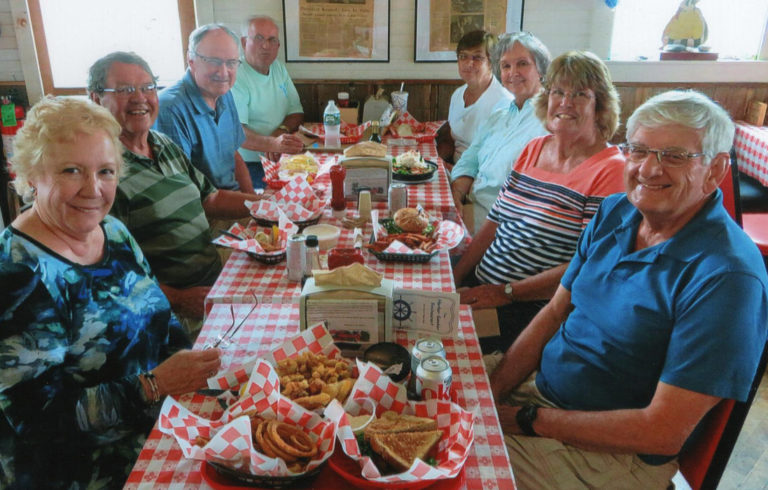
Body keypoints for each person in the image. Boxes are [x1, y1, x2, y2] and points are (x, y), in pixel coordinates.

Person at [490, 90, 768, 489]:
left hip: (609, 457)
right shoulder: (616, 210)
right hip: (537, 395)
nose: (649, 170)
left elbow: (661, 432)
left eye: (674, 156)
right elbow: (554, 313)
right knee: (415, 397)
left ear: (715, 168)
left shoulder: (727, 277)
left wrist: (521, 420)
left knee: (450, 465)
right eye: (638, 151)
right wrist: (493, 393)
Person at [0, 96, 221, 489]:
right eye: (71, 170)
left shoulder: (113, 232)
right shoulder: (18, 272)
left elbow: (161, 320)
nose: (93, 189)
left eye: (106, 171)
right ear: (31, 175)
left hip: (161, 425)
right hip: (85, 468)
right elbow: (39, 421)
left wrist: (192, 371)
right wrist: (154, 385)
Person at [453, 51, 625, 354]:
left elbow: (586, 268)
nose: (565, 102)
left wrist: (505, 293)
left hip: (530, 309)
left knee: (440, 341)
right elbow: (494, 223)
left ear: (601, 107)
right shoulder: (533, 148)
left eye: (580, 94)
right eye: (558, 91)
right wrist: (454, 277)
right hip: (485, 284)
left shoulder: (611, 170)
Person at [88, 51, 268, 333]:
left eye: (148, 87)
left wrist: (269, 203)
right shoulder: (101, 172)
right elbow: (106, 273)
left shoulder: (161, 143)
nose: (140, 98)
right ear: (96, 99)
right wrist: (178, 300)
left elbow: (212, 198)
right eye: (125, 90)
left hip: (215, 276)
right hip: (176, 310)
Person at [450, 32, 551, 234]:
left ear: (540, 69)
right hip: (472, 205)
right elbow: (469, 159)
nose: (513, 72)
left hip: (502, 225)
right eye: (506, 66)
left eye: (522, 63)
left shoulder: (549, 122)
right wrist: (457, 192)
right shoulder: (500, 113)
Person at [154, 24, 254, 192]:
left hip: (233, 201)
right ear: (191, 61)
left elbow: (234, 155)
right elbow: (183, 193)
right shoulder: (169, 109)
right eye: (214, 62)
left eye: (231, 63)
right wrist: (255, 204)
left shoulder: (224, 92)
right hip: (201, 212)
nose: (223, 73)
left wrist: (255, 204)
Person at [232, 15, 305, 187]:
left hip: (281, 158)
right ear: (243, 42)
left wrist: (280, 131)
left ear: (278, 46)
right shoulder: (236, 76)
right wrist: (272, 143)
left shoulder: (277, 67)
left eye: (272, 40)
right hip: (249, 166)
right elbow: (237, 133)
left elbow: (297, 112)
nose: (266, 46)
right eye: (259, 38)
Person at [436, 30, 513, 166]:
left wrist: (452, 171)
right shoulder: (457, 95)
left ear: (492, 62)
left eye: (477, 58)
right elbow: (452, 141)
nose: (468, 63)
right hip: (453, 168)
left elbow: (497, 163)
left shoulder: (503, 102)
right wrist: (435, 162)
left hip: (479, 179)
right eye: (463, 56)